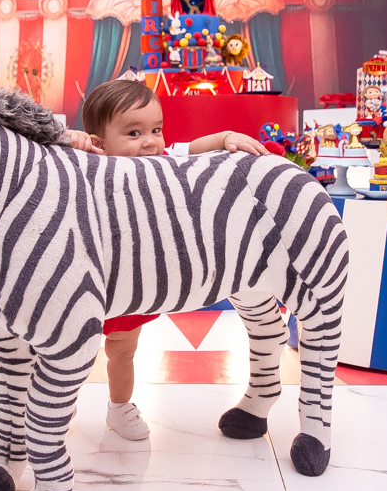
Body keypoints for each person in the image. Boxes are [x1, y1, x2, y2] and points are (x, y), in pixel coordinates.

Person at [65, 79, 268, 440]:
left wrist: (223, 139)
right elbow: (52, 153)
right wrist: (73, 140)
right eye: (133, 132)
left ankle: (119, 406)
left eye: (156, 129)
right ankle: (57, 404)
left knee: (123, 351)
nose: (150, 140)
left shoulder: (159, 160)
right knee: (63, 351)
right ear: (99, 142)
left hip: (132, 281)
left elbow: (190, 148)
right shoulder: (90, 160)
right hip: (85, 280)